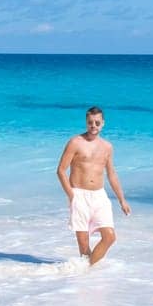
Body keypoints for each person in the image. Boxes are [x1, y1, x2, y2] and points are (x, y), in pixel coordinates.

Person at [56, 105, 130, 265]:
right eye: (90, 123)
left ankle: (86, 269)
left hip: (99, 196)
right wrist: (71, 195)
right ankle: (88, 279)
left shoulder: (107, 147)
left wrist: (122, 200)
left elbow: (111, 174)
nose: (93, 126)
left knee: (109, 236)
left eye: (97, 123)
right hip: (79, 195)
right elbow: (61, 171)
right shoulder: (75, 142)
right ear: (86, 122)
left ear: (103, 123)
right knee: (84, 247)